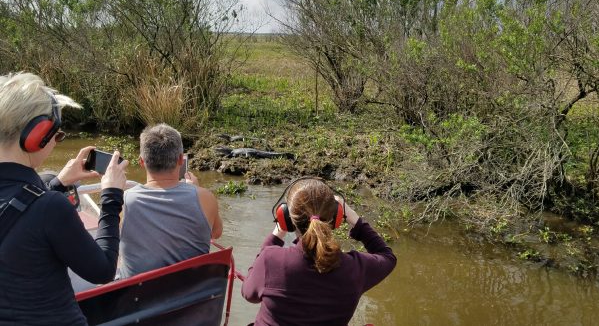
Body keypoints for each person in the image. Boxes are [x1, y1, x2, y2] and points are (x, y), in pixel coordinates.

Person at [0, 72, 128, 326]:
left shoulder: (43, 204)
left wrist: (58, 184)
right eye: (57, 135)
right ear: (39, 135)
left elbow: (20, 220)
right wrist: (111, 196)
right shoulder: (49, 208)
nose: (56, 142)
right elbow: (101, 270)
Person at [241, 177, 397, 326]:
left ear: (287, 218)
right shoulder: (355, 268)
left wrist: (276, 236)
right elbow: (387, 257)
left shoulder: (270, 259)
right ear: (336, 217)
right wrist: (354, 218)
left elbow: (249, 294)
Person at [118, 123, 223, 278]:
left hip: (140, 298)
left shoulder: (123, 201)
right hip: (195, 297)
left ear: (141, 162)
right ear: (181, 159)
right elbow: (216, 233)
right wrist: (196, 190)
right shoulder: (205, 197)